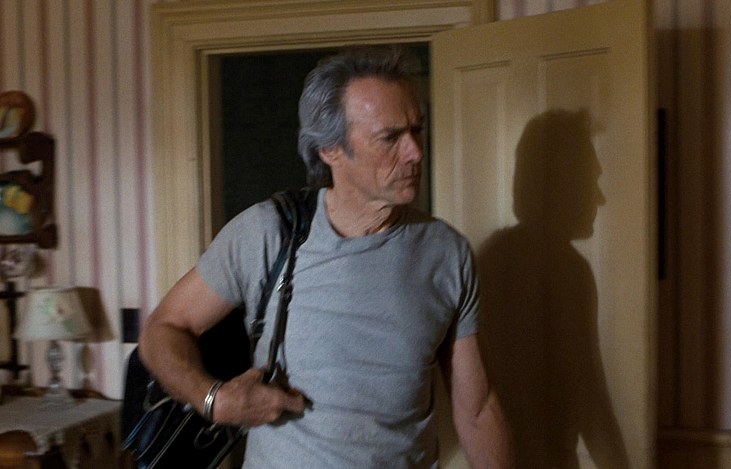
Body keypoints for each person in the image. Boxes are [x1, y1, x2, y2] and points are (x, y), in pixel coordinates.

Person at [138, 46, 512, 468]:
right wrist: (215, 400)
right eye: (390, 138)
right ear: (331, 150)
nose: (415, 152)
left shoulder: (447, 253)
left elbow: (478, 408)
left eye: (417, 130)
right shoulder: (269, 232)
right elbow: (162, 330)